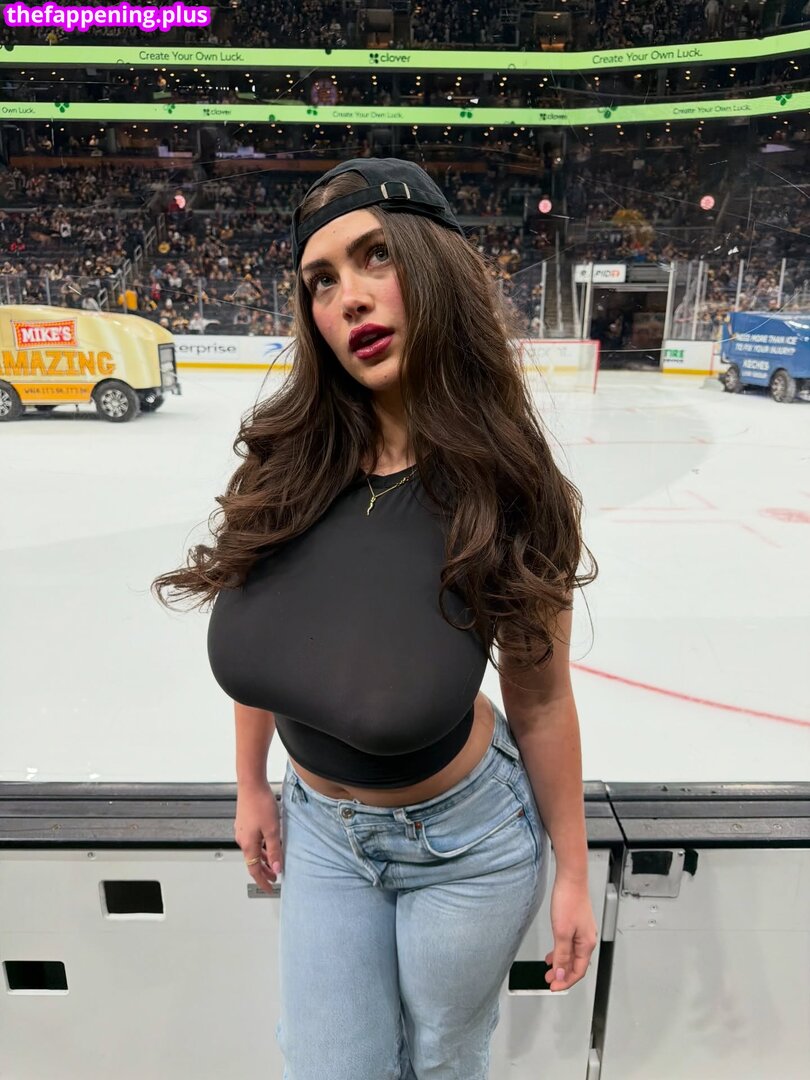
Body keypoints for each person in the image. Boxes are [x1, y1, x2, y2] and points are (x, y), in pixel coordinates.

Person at [151, 157, 598, 1079]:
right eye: (321, 280)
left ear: (435, 268)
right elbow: (269, 645)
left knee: (441, 1060)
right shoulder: (284, 467)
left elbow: (543, 701)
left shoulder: (511, 492)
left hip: (466, 845)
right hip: (320, 831)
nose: (348, 296)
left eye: (375, 256)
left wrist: (574, 872)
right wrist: (252, 784)